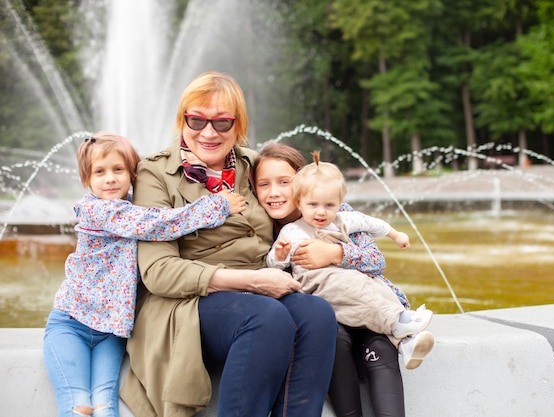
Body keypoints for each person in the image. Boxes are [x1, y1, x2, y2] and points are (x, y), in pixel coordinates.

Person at [119, 71, 338, 417]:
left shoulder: (255, 165)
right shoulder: (155, 174)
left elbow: (321, 203)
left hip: (261, 293)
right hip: (188, 302)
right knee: (265, 317)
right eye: (196, 120)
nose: (208, 132)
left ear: (238, 126)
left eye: (222, 123)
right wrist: (251, 281)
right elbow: (158, 272)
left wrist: (340, 249)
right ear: (182, 120)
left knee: (317, 314)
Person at [43, 132, 246, 417]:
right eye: (99, 172)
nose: (110, 178)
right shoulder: (98, 211)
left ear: (132, 174)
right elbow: (156, 223)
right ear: (86, 180)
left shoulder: (132, 207)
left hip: (111, 331)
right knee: (78, 404)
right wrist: (217, 205)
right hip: (71, 323)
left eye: (118, 170)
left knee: (104, 404)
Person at [254, 143, 435, 417]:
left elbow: (377, 262)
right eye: (264, 184)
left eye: (284, 182)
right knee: (335, 341)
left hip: (362, 302)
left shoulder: (337, 214)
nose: (275, 192)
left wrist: (335, 252)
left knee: (380, 348)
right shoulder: (264, 228)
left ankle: (403, 337)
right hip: (325, 314)